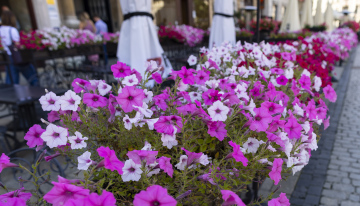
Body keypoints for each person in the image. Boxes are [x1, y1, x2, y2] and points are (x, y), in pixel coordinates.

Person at [0, 11, 38, 85]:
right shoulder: (12, 30)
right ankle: (40, 93)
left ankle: (12, 95)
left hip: (7, 57)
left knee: (12, 82)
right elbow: (18, 44)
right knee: (32, 77)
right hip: (16, 56)